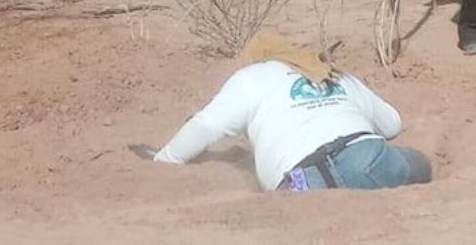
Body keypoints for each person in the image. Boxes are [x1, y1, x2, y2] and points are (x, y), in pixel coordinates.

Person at [131, 32, 432, 191]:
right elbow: (392, 123)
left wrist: (164, 159)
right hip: (367, 158)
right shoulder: (331, 73)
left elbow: (204, 127)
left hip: (299, 181)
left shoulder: (249, 78)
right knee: (419, 163)